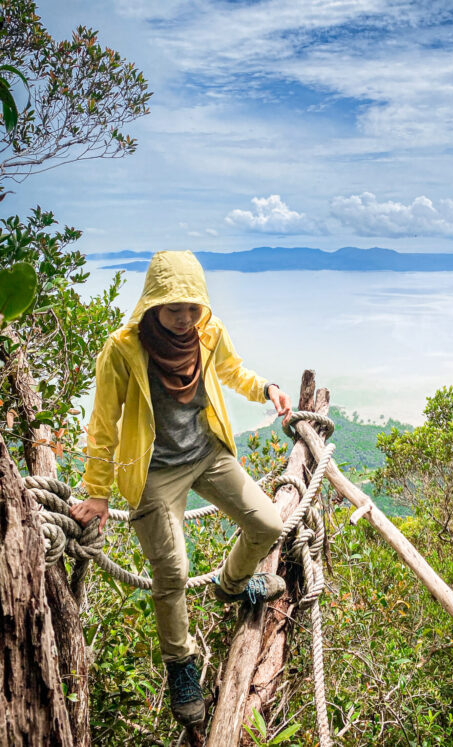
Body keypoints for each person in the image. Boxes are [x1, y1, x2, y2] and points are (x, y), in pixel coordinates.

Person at [70, 250, 292, 727]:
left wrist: (266, 388)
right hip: (153, 472)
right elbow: (103, 423)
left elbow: (231, 371)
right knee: (172, 571)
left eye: (193, 307)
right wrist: (98, 491)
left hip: (209, 455)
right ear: (153, 303)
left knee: (268, 522)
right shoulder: (124, 348)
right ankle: (180, 666)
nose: (185, 317)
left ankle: (233, 586)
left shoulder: (207, 335)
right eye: (175, 308)